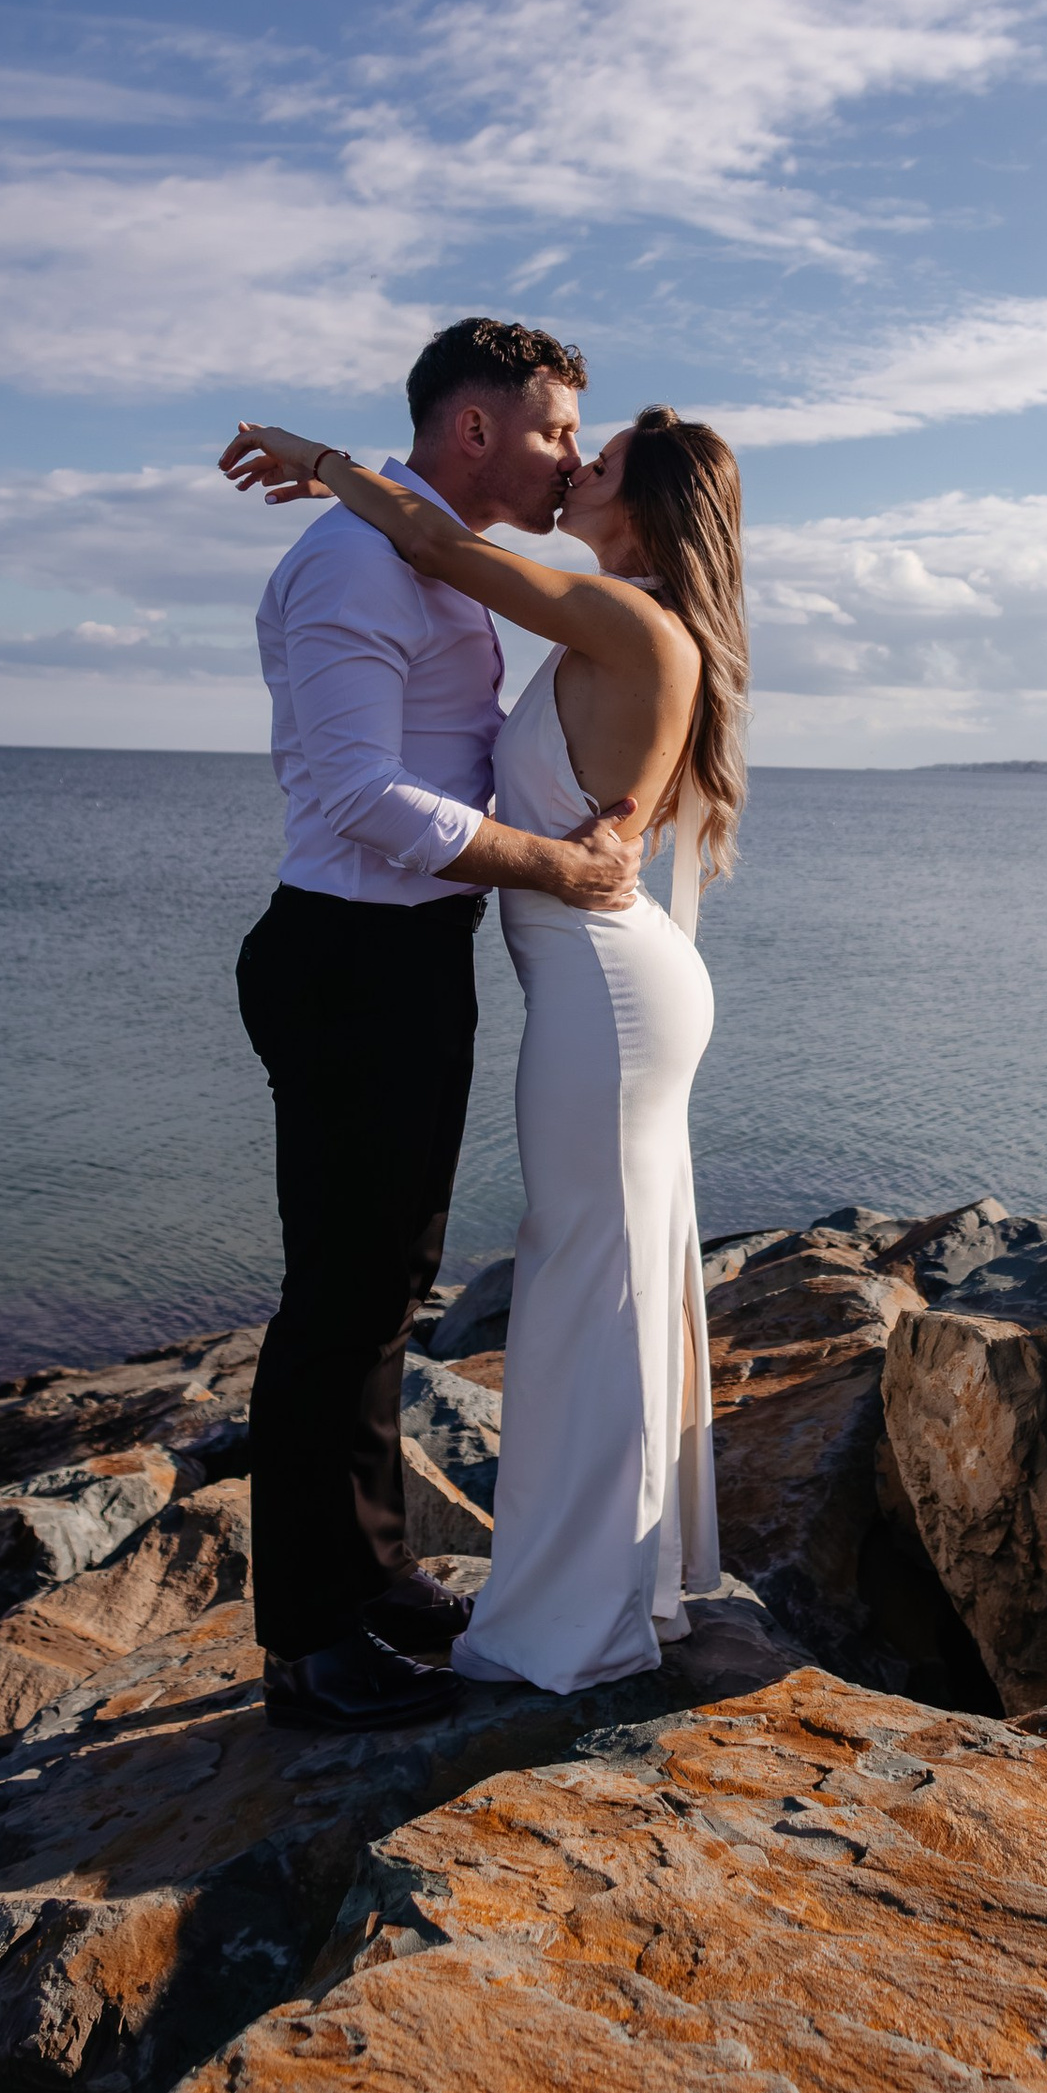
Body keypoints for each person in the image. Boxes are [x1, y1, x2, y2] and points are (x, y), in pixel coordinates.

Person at [224, 396, 748, 1694]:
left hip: (607, 993)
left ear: (646, 507)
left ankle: (578, 1615)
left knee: (586, 1282)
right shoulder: (620, 618)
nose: (577, 463)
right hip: (605, 984)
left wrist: (319, 460)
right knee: (596, 1274)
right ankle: (616, 1585)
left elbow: (450, 551)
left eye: (602, 457)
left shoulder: (626, 614)